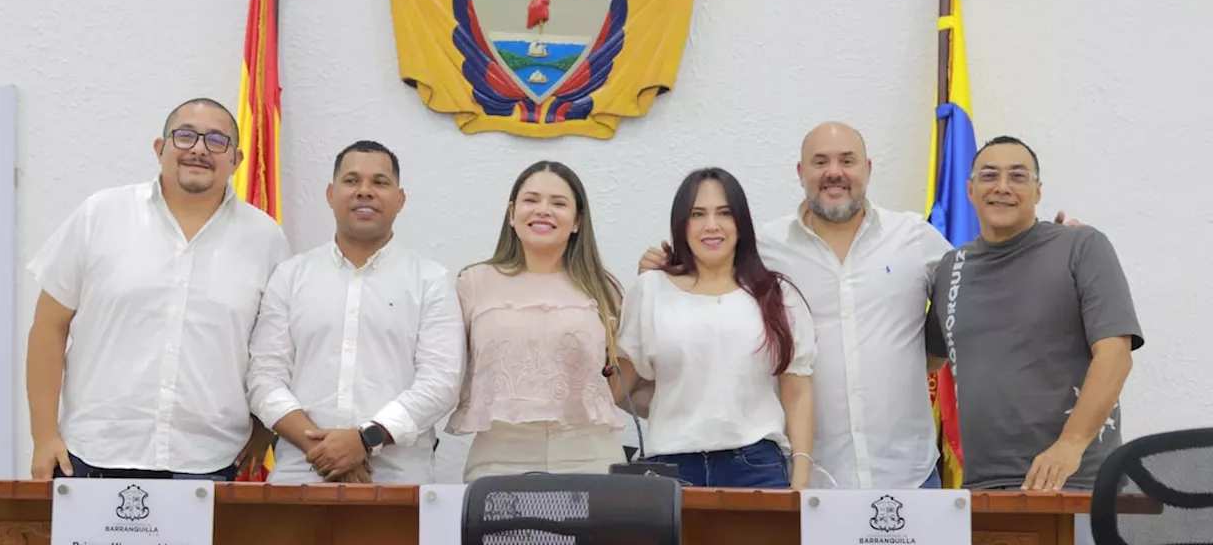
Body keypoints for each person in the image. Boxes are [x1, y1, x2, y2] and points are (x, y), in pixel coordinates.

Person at [638, 122, 1080, 490]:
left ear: (867, 169)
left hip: (907, 472)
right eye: (821, 162)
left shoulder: (913, 237)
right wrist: (666, 267)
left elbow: (982, 284)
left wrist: (1044, 246)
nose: (835, 172)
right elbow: (704, 284)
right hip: (807, 476)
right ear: (800, 171)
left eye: (847, 161)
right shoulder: (763, 250)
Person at [25, 97, 291, 480]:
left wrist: (264, 431)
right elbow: (49, 326)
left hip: (210, 463)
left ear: (237, 159)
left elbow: (275, 349)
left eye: (217, 141)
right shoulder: (101, 214)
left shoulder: (265, 239)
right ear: (160, 148)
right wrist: (44, 435)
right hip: (92, 455)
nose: (199, 149)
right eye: (185, 136)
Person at [926, 136, 1143, 493]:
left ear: (1038, 191)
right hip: (983, 488)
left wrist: (1070, 445)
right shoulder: (951, 268)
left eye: (1018, 176)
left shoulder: (1081, 246)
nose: (1002, 187)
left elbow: (1116, 356)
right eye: (989, 176)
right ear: (969, 190)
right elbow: (926, 360)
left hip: (1075, 483)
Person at [245, 140, 465, 484]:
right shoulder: (291, 276)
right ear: (331, 194)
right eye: (352, 181)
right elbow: (263, 377)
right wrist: (325, 449)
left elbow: (440, 383)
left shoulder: (430, 280)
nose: (365, 191)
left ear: (400, 198)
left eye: (379, 182)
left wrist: (365, 440)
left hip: (397, 480)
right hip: (298, 475)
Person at [616, 167, 817, 489]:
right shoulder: (650, 289)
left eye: (724, 213)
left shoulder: (776, 294)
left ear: (741, 223)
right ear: (681, 224)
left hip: (757, 465)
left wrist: (802, 475)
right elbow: (617, 387)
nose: (712, 226)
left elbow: (798, 391)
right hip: (670, 466)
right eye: (697, 214)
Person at [445, 161, 625, 482]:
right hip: (499, 454)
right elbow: (447, 370)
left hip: (589, 452)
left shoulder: (603, 287)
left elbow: (620, 372)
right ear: (512, 213)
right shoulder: (473, 282)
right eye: (531, 200)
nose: (543, 210)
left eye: (558, 203)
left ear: (577, 221)